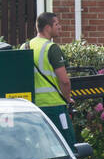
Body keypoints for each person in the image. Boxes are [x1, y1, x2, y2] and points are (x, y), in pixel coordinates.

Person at [25, 12, 74, 140]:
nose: (60, 27)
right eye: (56, 24)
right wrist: (68, 99)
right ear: (47, 27)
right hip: (54, 106)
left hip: (32, 107)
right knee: (66, 142)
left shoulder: (25, 47)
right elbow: (64, 81)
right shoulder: (51, 48)